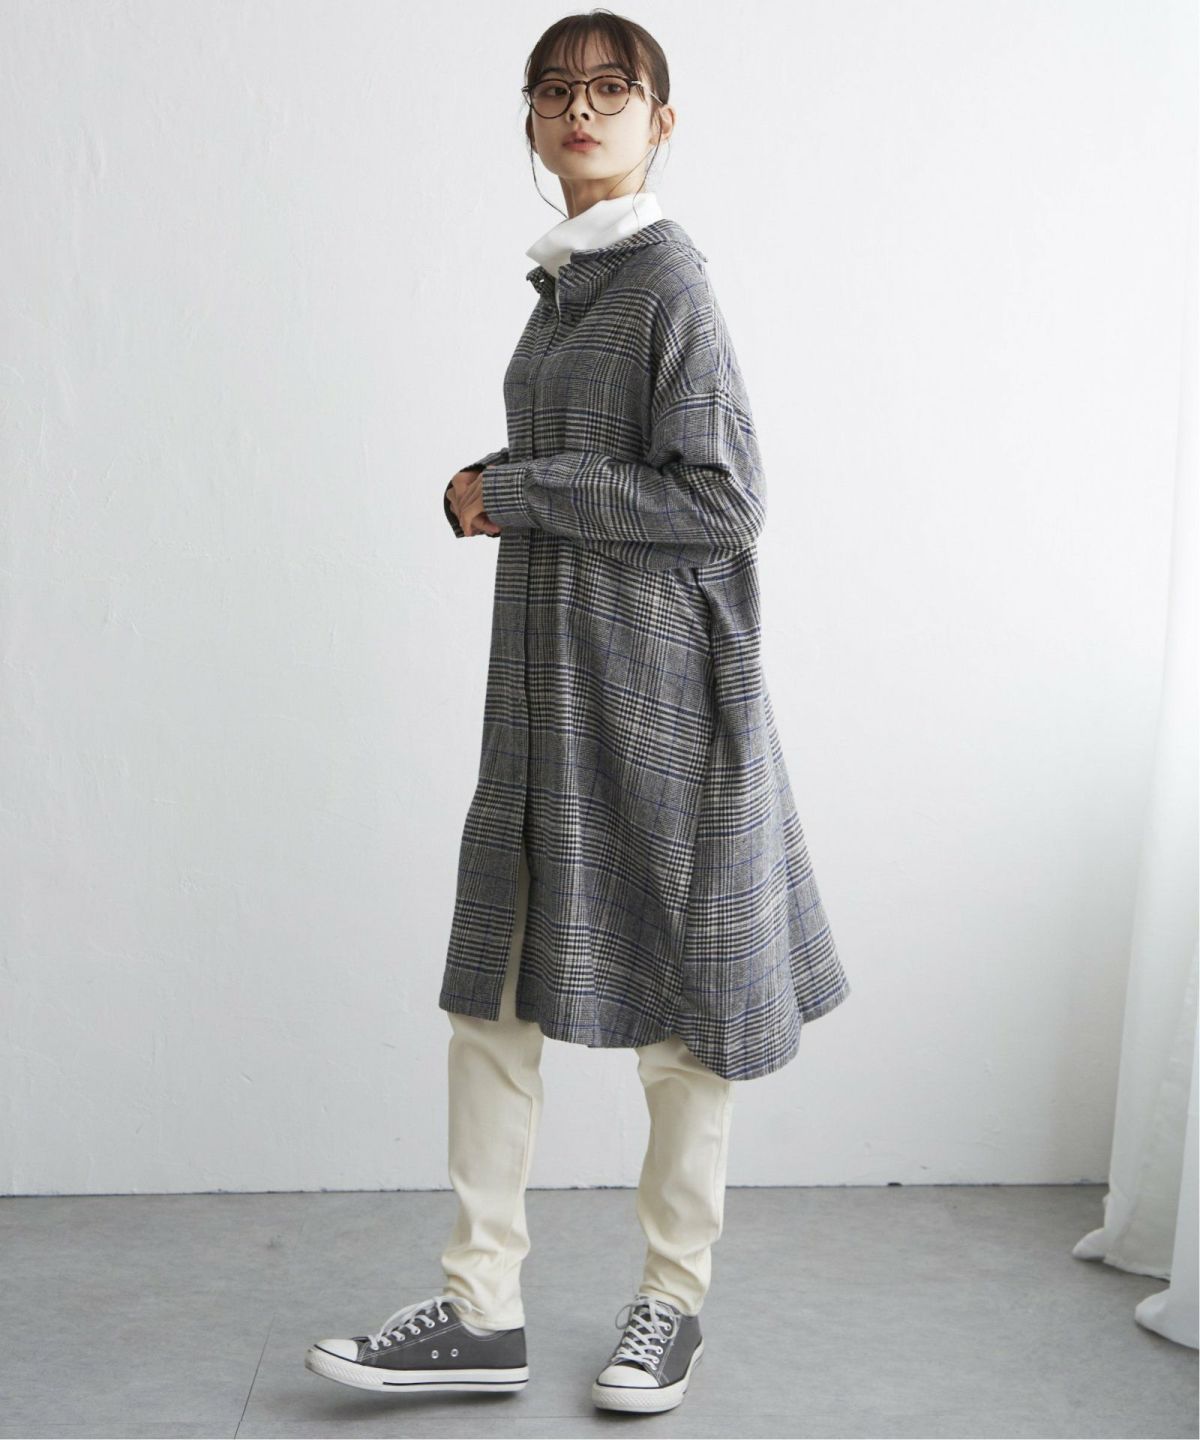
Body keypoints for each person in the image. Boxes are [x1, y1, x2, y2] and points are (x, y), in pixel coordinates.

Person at [305, 8, 850, 1416]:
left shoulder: (667, 281)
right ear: (532, 121)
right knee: (490, 999)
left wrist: (517, 489)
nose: (582, 108)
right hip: (544, 692)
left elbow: (725, 503)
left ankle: (672, 1303)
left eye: (614, 88)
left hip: (662, 697)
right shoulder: (568, 282)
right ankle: (480, 1309)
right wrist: (497, 484)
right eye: (556, 90)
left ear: (663, 121)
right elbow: (601, 471)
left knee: (683, 1016)